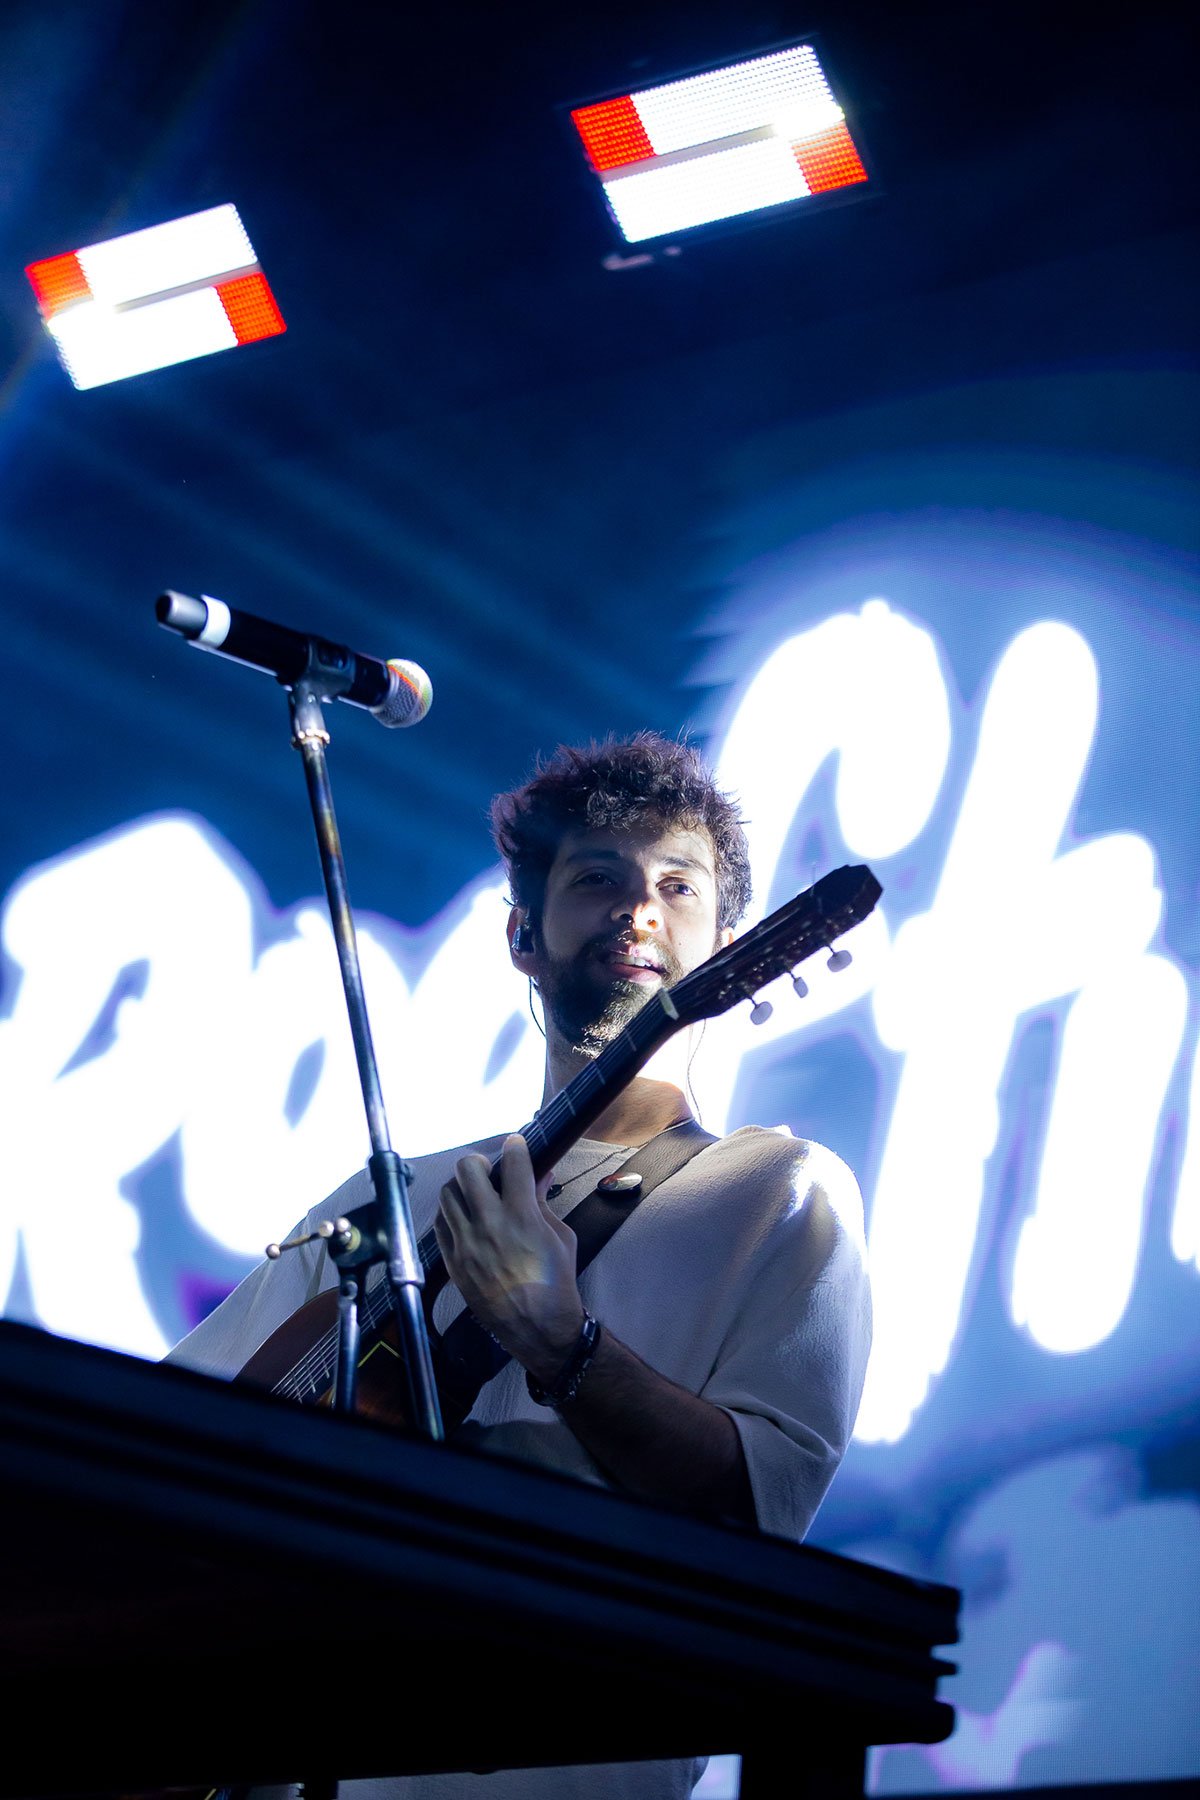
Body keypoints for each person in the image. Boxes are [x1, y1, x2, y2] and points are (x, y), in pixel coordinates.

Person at [167, 732, 873, 1800]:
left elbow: (755, 1510)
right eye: (598, 878)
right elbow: (176, 1437)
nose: (640, 911)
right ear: (521, 936)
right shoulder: (390, 1196)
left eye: (678, 886)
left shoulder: (781, 1191)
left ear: (734, 948)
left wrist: (560, 1342)